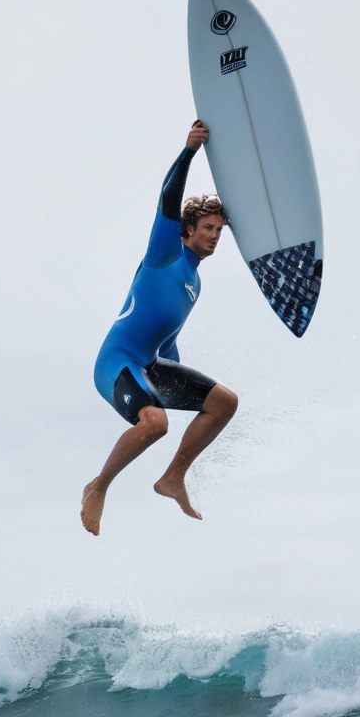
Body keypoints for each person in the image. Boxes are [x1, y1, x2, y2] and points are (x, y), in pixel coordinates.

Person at [81, 120, 239, 536]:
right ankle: (98, 486)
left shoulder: (194, 282)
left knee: (224, 403)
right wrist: (188, 152)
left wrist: (175, 383)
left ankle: (173, 478)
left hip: (150, 364)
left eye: (220, 231)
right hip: (117, 362)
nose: (215, 236)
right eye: (208, 228)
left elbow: (168, 343)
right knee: (155, 424)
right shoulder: (165, 251)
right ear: (188, 231)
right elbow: (169, 198)